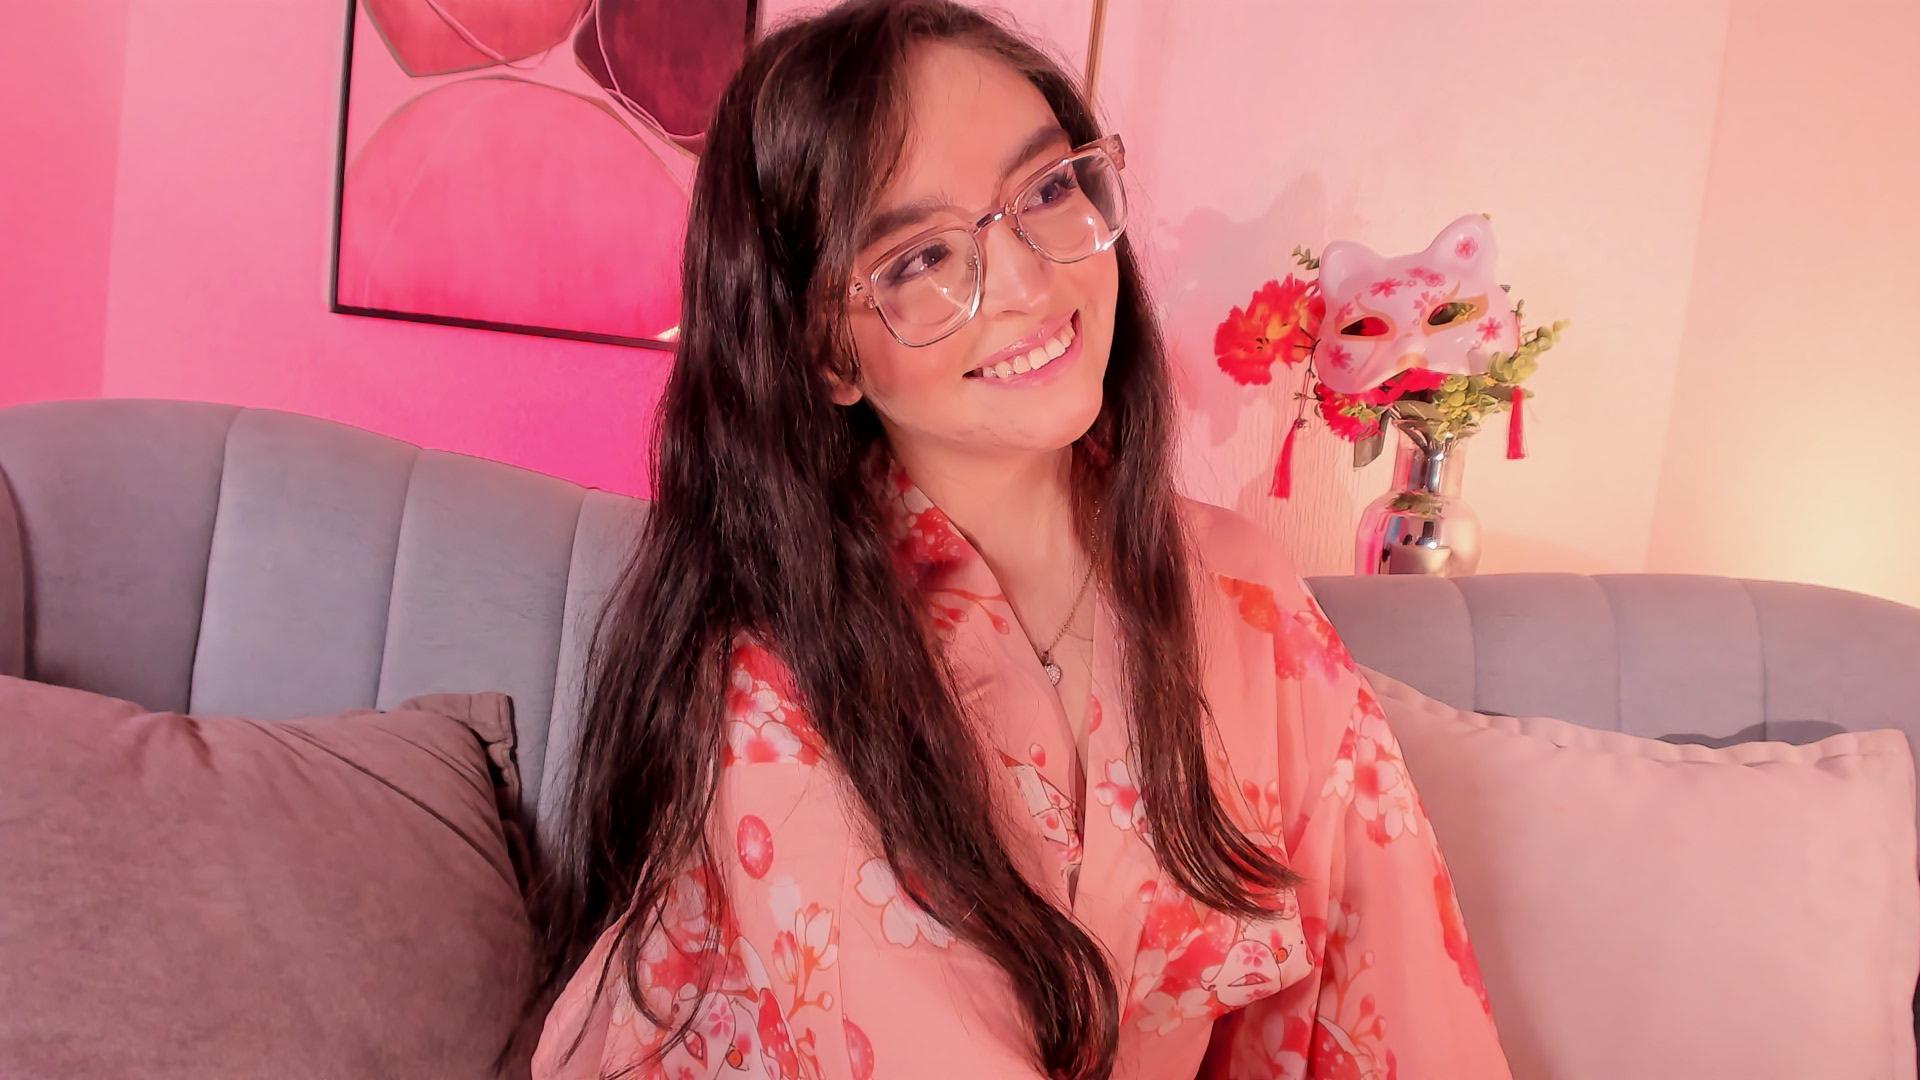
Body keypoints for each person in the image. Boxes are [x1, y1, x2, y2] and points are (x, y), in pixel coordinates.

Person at [524, 1, 1511, 1077]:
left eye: (1045, 191)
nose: (1033, 282)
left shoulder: (1242, 590)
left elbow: (1392, 994)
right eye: (920, 257)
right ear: (829, 356)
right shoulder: (776, 677)